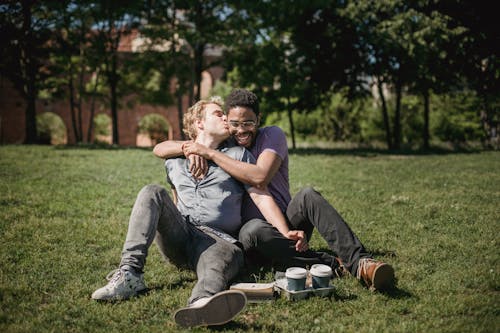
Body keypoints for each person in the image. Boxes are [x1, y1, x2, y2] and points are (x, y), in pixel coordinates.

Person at [91, 96, 307, 328]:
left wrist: (284, 231)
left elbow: (261, 196)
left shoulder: (237, 156)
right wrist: (187, 148)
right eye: (218, 114)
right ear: (199, 123)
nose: (226, 118)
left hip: (219, 241)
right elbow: (163, 161)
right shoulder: (174, 159)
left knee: (216, 265)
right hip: (182, 236)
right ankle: (130, 273)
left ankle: (202, 303)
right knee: (152, 191)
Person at [153, 89, 395, 291]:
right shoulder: (225, 144)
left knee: (308, 195)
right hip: (252, 236)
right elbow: (162, 148)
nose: (241, 130)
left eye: (248, 123)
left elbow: (260, 177)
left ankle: (361, 262)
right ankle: (333, 263)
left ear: (258, 120)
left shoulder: (271, 135)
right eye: (234, 123)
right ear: (227, 120)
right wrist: (192, 147)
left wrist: (208, 152)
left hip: (284, 222)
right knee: (254, 229)